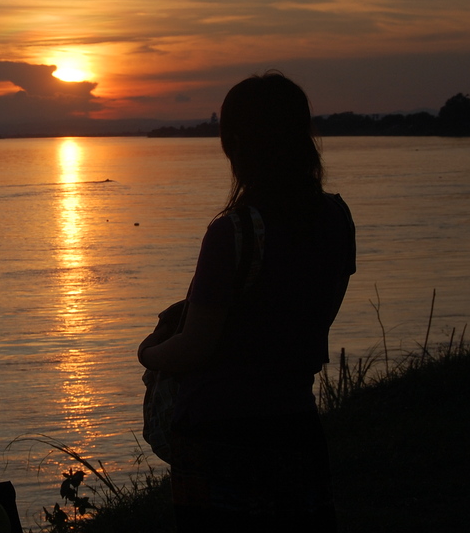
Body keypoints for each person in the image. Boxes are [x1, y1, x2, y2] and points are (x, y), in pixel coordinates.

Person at [138, 71, 355, 532]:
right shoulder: (337, 218)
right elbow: (311, 310)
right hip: (296, 425)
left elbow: (195, 348)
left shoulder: (232, 232)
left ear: (233, 144)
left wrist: (149, 352)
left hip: (221, 437)